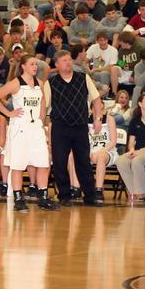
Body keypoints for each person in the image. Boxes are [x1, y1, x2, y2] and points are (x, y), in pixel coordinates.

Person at [0, 54, 60, 211]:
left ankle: (43, 197)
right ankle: (18, 198)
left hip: (36, 128)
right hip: (20, 127)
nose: (35, 67)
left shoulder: (39, 83)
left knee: (43, 163)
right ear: (23, 66)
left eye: (36, 64)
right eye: (32, 64)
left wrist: (42, 117)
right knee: (18, 165)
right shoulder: (15, 83)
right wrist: (8, 113)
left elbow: (43, 100)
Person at [44, 49, 104, 206]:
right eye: (64, 60)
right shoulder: (50, 83)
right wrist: (42, 125)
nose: (68, 63)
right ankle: (64, 196)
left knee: (83, 162)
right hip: (60, 127)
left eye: (69, 59)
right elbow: (44, 107)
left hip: (80, 126)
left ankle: (90, 196)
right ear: (57, 64)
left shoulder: (83, 78)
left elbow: (96, 99)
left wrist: (98, 118)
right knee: (60, 163)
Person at [116, 90, 145, 201]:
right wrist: (131, 149)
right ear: (140, 104)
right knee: (121, 161)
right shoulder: (135, 121)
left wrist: (139, 152)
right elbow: (131, 141)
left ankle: (141, 193)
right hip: (137, 151)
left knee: (137, 160)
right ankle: (134, 192)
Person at [87, 112, 118, 205]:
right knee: (74, 155)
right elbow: (82, 141)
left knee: (101, 157)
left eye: (102, 108)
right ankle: (75, 189)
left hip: (108, 151)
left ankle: (98, 190)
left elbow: (113, 142)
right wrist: (88, 152)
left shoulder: (109, 119)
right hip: (90, 152)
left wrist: (100, 152)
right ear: (92, 109)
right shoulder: (85, 119)